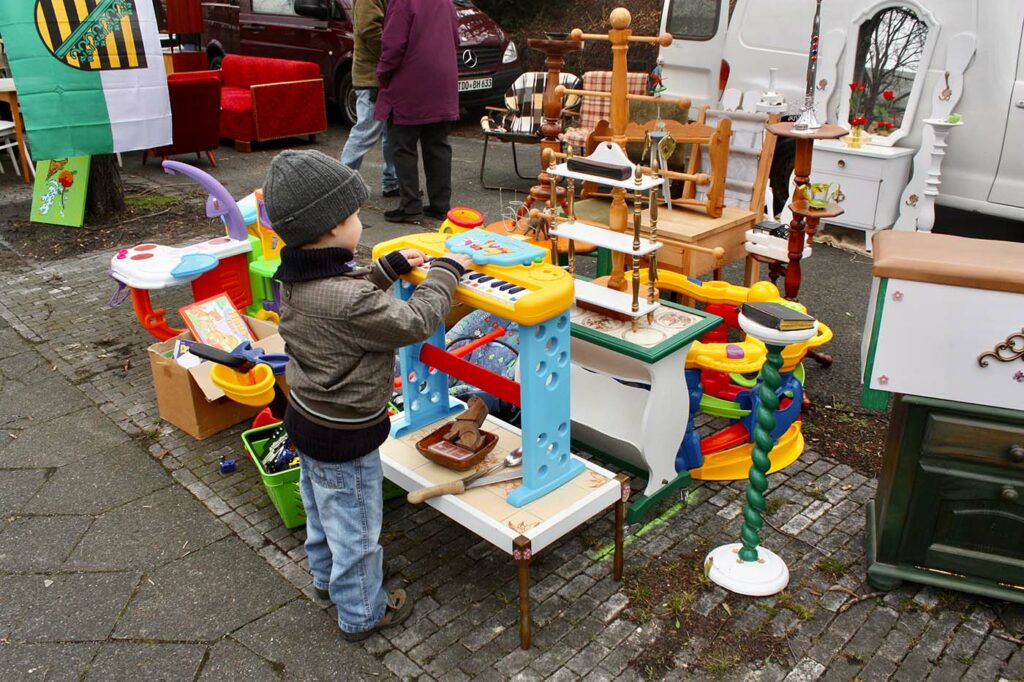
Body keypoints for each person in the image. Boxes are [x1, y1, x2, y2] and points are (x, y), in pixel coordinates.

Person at [265, 149, 472, 640]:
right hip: (347, 435)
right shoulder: (348, 298)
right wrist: (444, 272)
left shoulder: (294, 279)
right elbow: (414, 322)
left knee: (319, 511)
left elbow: (341, 302)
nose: (361, 222)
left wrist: (386, 270)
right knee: (355, 530)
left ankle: (324, 581)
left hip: (307, 420)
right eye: (356, 215)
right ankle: (362, 613)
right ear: (333, 228)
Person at [375, 0, 460, 223]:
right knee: (438, 145)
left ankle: (410, 206)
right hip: (443, 81)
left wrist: (382, 73)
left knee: (403, 145)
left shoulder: (402, 2)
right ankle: (441, 206)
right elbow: (456, 36)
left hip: (410, 81)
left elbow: (393, 44)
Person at [340, 0, 399, 198]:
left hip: (382, 76)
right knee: (366, 131)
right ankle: (340, 185)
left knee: (392, 133)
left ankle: (392, 182)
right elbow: (369, 30)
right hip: (372, 78)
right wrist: (391, 56)